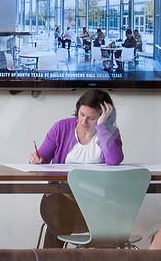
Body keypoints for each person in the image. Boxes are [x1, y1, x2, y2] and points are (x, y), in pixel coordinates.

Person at [29, 89, 124, 247]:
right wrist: (36, 159)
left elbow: (114, 160)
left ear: (103, 116)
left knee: (107, 220)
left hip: (95, 202)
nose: (83, 122)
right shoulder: (62, 127)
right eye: (81, 114)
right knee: (59, 217)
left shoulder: (110, 133)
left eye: (91, 118)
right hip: (61, 197)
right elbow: (42, 157)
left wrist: (101, 127)